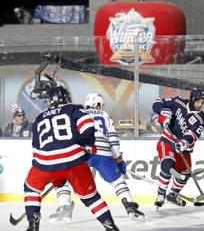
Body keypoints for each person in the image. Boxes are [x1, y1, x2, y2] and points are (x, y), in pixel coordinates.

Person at [22, 86, 124, 231]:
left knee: (31, 188)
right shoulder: (73, 109)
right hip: (73, 160)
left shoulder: (39, 118)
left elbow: (36, 146)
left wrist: (49, 166)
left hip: (45, 162)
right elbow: (89, 127)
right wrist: (86, 145)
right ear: (66, 98)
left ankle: (33, 225)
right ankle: (111, 227)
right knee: (90, 197)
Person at [49, 93, 145, 223]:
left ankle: (64, 206)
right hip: (103, 151)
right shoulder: (105, 115)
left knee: (63, 178)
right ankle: (129, 206)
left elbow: (71, 135)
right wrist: (118, 159)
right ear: (98, 104)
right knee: (117, 181)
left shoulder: (78, 113)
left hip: (83, 152)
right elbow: (113, 139)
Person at [152, 87, 204, 208]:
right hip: (167, 140)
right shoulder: (178, 102)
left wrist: (184, 143)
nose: (200, 105)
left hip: (184, 148)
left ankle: (173, 195)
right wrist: (162, 111)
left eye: (202, 103)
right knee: (168, 164)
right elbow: (157, 102)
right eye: (198, 101)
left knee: (185, 174)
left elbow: (193, 134)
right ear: (192, 98)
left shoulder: (201, 119)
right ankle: (161, 195)